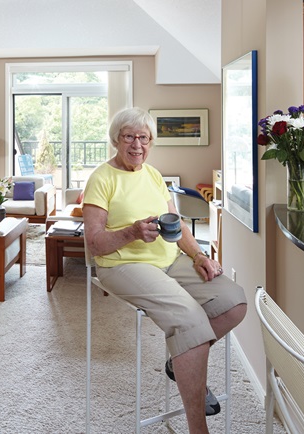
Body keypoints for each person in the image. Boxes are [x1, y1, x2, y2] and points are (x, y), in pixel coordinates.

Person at [83, 107, 247, 434]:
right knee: (190, 318)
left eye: (143, 137)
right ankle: (197, 427)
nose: (137, 144)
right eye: (129, 136)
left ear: (151, 142)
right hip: (123, 264)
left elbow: (179, 225)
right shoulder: (102, 178)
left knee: (234, 301)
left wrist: (199, 255)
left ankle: (179, 361)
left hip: (169, 260)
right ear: (117, 139)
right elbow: (95, 243)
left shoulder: (154, 175)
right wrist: (131, 232)